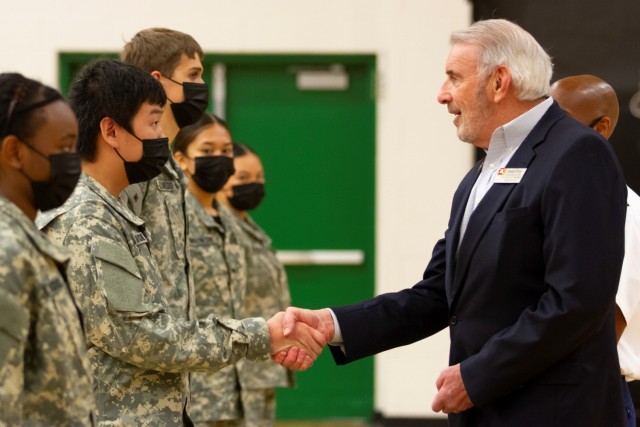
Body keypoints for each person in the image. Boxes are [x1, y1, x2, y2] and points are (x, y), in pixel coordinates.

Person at [280, 19, 628, 426]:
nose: (442, 95)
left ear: (500, 82)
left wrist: (477, 376)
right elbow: (436, 295)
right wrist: (332, 323)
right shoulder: (479, 175)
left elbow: (576, 302)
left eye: (453, 78)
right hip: (485, 411)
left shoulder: (577, 152)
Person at [36, 60, 324, 426]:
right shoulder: (86, 220)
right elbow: (141, 335)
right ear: (110, 130)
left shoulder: (110, 210)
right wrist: (259, 334)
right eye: (154, 123)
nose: (162, 137)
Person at [0, 73, 95, 424]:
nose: (74, 162)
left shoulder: (26, 240)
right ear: (15, 152)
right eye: (64, 147)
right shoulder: (6, 252)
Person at [550, 74, 640, 427]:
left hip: (588, 394)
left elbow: (604, 326)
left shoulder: (625, 211)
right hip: (547, 388)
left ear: (600, 128)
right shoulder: (557, 201)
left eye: (559, 124)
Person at [120, 28, 209, 320]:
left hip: (173, 351)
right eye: (193, 74)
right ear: (157, 81)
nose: (201, 84)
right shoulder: (135, 161)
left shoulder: (167, 163)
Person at [173, 113, 247, 427]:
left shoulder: (230, 221)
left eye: (226, 150)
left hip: (233, 382)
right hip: (193, 384)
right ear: (181, 160)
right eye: (207, 151)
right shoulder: (173, 217)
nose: (219, 159)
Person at [217, 142, 294, 427]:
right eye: (243, 178)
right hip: (234, 371)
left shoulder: (249, 228)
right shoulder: (220, 232)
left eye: (259, 178)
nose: (255, 185)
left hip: (259, 363)